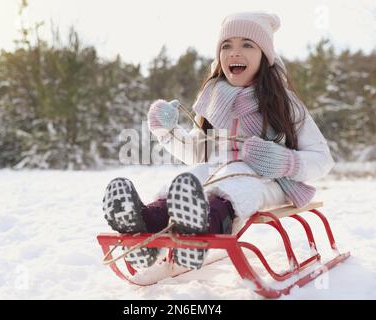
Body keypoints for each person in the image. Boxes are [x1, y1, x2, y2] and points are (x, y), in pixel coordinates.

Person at [102, 12, 335, 271]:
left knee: (239, 182)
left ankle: (202, 228)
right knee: (194, 175)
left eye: (247, 44)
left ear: (264, 55)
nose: (234, 53)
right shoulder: (213, 100)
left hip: (270, 181)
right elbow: (197, 153)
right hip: (217, 171)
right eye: (227, 45)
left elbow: (322, 159)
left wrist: (285, 161)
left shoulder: (284, 102)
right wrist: (166, 131)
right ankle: (146, 226)